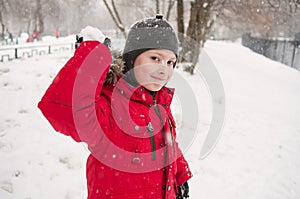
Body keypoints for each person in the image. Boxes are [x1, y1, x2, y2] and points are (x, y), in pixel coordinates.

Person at [38, 15, 192, 199]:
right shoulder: (110, 104)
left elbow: (168, 144)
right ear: (133, 58)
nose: (164, 69)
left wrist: (180, 175)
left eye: (170, 62)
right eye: (155, 58)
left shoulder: (159, 103)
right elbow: (65, 113)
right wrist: (90, 59)